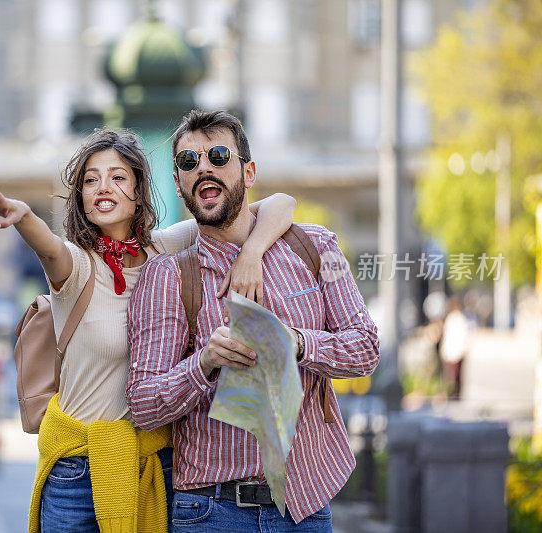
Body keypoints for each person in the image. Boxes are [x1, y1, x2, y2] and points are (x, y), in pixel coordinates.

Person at [0, 128, 297, 532]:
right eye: (90, 180)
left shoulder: (166, 249)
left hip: (150, 466)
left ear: (139, 192)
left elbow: (280, 205)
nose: (102, 187)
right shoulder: (75, 266)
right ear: (81, 199)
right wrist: (24, 217)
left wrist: (252, 253)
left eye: (117, 177)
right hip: (77, 472)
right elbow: (49, 247)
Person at [127, 110, 380, 531]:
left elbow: (366, 348)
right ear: (178, 183)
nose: (204, 166)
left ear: (249, 171)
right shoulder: (167, 277)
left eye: (218, 155)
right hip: (212, 512)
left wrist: (298, 342)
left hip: (305, 508)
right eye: (189, 162)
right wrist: (204, 362)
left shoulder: (317, 247)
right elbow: (144, 405)